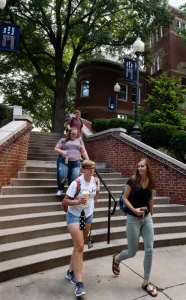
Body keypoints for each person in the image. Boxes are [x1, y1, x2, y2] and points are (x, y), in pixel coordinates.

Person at [112, 158, 158, 297]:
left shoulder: (150, 181)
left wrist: (151, 212)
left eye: (142, 166)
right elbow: (125, 198)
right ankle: (117, 259)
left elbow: (150, 197)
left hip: (146, 218)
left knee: (149, 249)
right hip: (133, 218)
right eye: (138, 166)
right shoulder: (132, 181)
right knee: (132, 252)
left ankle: (146, 281)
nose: (140, 168)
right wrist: (134, 210)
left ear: (147, 167)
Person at [62, 159, 100, 297]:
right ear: (84, 169)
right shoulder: (76, 183)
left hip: (87, 216)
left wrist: (92, 202)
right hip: (74, 216)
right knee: (80, 246)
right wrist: (78, 201)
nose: (92, 171)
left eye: (93, 168)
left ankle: (70, 272)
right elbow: (65, 200)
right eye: (90, 168)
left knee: (79, 245)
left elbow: (97, 193)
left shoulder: (95, 181)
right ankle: (79, 284)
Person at [54, 127, 89, 196]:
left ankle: (70, 193)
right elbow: (56, 148)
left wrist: (88, 160)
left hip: (75, 163)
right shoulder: (63, 140)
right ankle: (60, 189)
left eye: (75, 134)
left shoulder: (79, 141)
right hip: (63, 162)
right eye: (72, 134)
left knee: (73, 179)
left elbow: (83, 151)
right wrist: (63, 152)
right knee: (62, 176)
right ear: (69, 133)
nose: (74, 136)